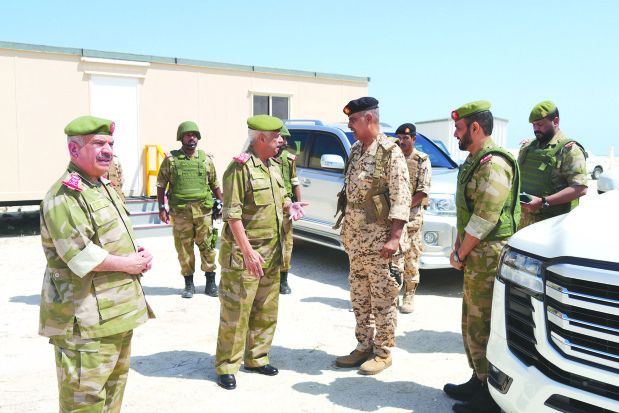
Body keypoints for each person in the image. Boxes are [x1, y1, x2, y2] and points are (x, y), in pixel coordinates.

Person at [39, 115, 155, 412]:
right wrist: (127, 264)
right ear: (74, 150)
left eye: (111, 144)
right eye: (99, 143)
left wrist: (136, 255)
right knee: (84, 403)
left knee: (112, 399)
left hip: (116, 313)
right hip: (85, 322)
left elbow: (111, 237)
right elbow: (80, 255)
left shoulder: (102, 186)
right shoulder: (65, 195)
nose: (108, 150)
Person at [214, 115, 307, 390]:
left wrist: (290, 206)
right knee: (236, 312)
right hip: (245, 257)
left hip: (272, 253)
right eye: (277, 137)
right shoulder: (239, 168)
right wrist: (248, 252)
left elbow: (282, 196)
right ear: (262, 138)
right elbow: (232, 214)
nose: (282, 141)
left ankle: (257, 358)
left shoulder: (275, 166)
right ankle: (226, 366)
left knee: (266, 310)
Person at [443, 101, 520, 413]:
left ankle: (491, 396)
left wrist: (460, 253)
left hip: (489, 256)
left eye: (459, 128)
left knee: (486, 324)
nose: (455, 134)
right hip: (475, 253)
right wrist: (459, 246)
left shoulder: (494, 163)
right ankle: (479, 379)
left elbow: (486, 217)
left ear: (475, 128)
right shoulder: (473, 161)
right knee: (471, 321)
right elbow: (467, 212)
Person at [335, 97, 411, 375]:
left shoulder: (390, 153)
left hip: (381, 242)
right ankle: (363, 346)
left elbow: (402, 199)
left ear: (369, 119)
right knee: (359, 296)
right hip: (356, 239)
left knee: (383, 297)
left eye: (353, 120)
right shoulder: (356, 150)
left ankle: (383, 352)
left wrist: (394, 238)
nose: (350, 125)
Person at [156, 121, 223, 298]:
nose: (191, 138)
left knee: (208, 246)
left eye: (194, 135)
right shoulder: (171, 160)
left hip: (204, 211)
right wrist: (161, 208)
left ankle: (210, 282)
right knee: (184, 248)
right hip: (180, 213)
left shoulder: (206, 160)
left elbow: (214, 183)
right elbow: (161, 184)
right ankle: (189, 284)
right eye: (187, 135)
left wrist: (221, 203)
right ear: (181, 138)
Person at [518, 101, 587, 229]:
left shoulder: (569, 150)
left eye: (540, 124)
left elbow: (580, 188)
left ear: (555, 121)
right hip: (523, 224)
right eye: (533, 125)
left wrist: (542, 202)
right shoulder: (527, 148)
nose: (536, 129)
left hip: (552, 226)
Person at [395, 123, 431, 314]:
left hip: (411, 217)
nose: (401, 141)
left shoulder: (422, 160)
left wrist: (402, 207)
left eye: (405, 138)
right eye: (399, 137)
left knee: (411, 256)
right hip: (392, 217)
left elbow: (422, 191)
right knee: (393, 257)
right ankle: (392, 293)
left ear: (414, 139)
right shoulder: (393, 157)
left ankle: (409, 294)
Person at [272, 125, 301, 294]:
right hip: (269, 206)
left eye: (286, 139)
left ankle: (283, 278)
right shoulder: (264, 158)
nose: (284, 142)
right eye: (282, 138)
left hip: (286, 206)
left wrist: (298, 204)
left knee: (287, 243)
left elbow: (295, 182)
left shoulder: (289, 159)